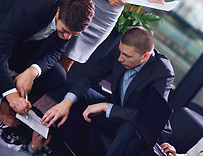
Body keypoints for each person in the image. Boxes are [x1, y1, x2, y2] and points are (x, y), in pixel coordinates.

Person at [41, 26, 175, 156]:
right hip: (117, 111)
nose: (119, 58)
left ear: (145, 56)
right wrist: (67, 102)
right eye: (121, 51)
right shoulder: (122, 51)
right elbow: (90, 76)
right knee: (70, 91)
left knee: (128, 129)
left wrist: (106, 107)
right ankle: (56, 148)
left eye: (126, 56)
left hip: (141, 126)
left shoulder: (162, 72)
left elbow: (147, 118)